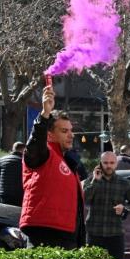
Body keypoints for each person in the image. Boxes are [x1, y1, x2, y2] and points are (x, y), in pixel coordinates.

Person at [20, 85, 85, 249]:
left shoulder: (65, 161)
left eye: (71, 130)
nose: (71, 135)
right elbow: (35, 145)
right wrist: (45, 114)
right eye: (64, 131)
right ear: (49, 134)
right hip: (45, 231)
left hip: (66, 233)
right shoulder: (45, 152)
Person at [83, 151, 130, 259]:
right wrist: (95, 181)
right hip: (94, 233)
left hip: (115, 233)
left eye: (111, 163)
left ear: (116, 164)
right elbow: (85, 199)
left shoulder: (124, 183)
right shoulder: (92, 180)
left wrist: (125, 208)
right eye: (105, 163)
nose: (108, 166)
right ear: (100, 163)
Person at [0, 142, 26, 206]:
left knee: (5, 210)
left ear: (13, 149)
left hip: (4, 193)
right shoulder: (23, 161)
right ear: (23, 150)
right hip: (18, 194)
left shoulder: (2, 159)